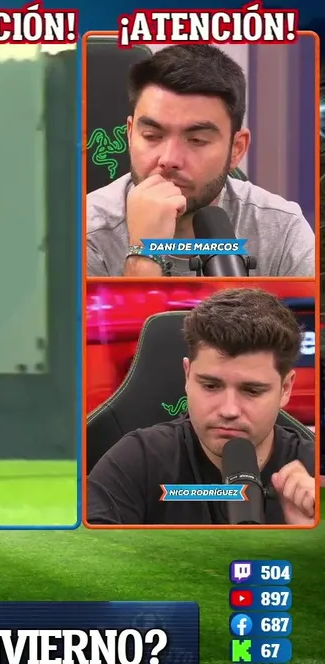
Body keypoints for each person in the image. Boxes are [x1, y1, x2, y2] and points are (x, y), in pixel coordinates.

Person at [87, 288, 317, 526]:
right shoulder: (135, 462)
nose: (229, 410)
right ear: (187, 375)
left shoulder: (314, 473)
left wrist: (308, 541)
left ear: (285, 388)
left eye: (252, 391)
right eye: (210, 386)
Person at [86, 45, 315, 278]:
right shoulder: (84, 234)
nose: (169, 159)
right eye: (151, 136)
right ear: (130, 134)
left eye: (197, 140)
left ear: (236, 149)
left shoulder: (282, 230)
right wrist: (144, 254)